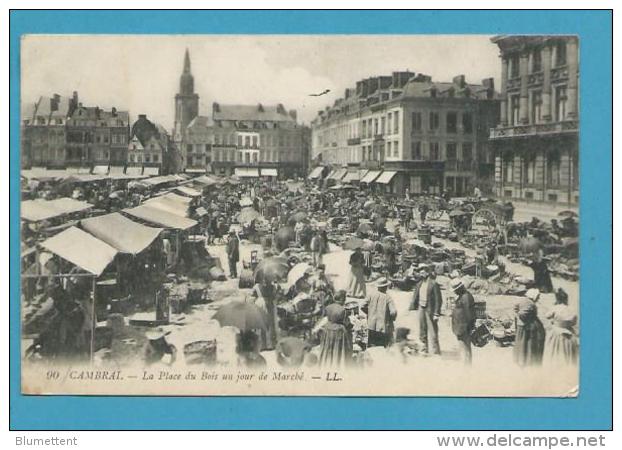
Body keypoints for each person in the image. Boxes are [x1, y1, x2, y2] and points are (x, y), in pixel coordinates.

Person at [409, 266, 443, 355]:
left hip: (430, 309)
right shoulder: (419, 283)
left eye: (422, 272)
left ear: (427, 273)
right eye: (420, 272)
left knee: (433, 331)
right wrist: (413, 306)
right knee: (422, 329)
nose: (421, 274)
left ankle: (436, 351)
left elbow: (438, 300)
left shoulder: (433, 284)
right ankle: (424, 349)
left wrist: (436, 313)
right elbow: (415, 296)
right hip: (421, 307)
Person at [544, 288, 578, 367]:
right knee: (567, 352)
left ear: (557, 299)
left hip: (556, 333)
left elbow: (547, 316)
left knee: (555, 351)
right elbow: (574, 322)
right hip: (569, 332)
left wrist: (555, 321)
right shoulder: (571, 309)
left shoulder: (555, 308)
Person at [513, 288, 546, 367]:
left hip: (521, 325)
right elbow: (523, 314)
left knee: (521, 343)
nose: (538, 298)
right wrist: (528, 319)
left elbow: (516, 308)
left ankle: (521, 360)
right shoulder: (530, 303)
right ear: (533, 295)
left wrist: (518, 315)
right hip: (528, 326)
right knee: (529, 344)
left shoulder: (522, 300)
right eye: (538, 296)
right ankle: (529, 361)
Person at [450, 279, 476, 365]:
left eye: (455, 290)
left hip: (464, 327)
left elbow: (469, 314)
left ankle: (467, 368)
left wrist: (469, 327)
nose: (454, 292)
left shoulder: (466, 297)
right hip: (460, 327)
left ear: (459, 288)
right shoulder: (462, 296)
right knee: (463, 348)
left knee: (465, 349)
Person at [366, 277, 398, 348]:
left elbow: (363, 306)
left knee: (371, 346)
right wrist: (391, 319)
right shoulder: (387, 298)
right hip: (383, 327)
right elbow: (393, 312)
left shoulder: (371, 295)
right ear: (385, 287)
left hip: (371, 326)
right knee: (382, 347)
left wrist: (369, 314)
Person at [318, 303, 353, 367]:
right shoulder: (342, 329)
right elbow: (348, 345)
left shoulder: (326, 327)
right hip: (338, 354)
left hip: (327, 352)